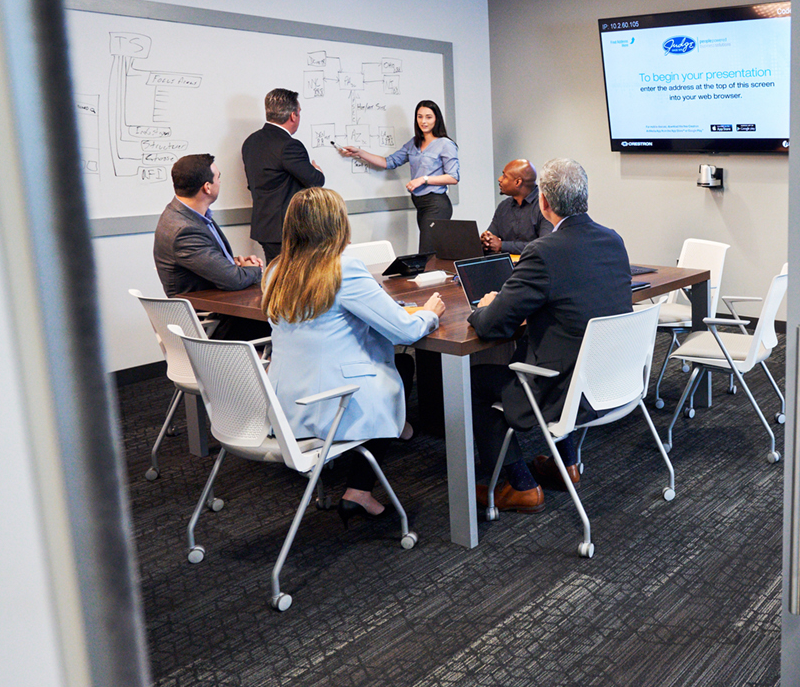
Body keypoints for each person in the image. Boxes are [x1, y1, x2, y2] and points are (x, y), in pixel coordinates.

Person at [261, 187, 445, 522]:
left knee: (400, 362)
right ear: (337, 224)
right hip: (332, 402)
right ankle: (358, 490)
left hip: (285, 403)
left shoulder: (277, 270)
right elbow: (405, 331)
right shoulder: (343, 268)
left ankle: (399, 427)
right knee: (395, 368)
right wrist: (429, 312)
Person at [468, 158, 633, 513]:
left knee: (476, 380)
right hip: (608, 379)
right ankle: (566, 466)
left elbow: (491, 325)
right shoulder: (613, 240)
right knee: (560, 348)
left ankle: (519, 485)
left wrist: (484, 305)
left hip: (563, 388)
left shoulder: (542, 253)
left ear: (543, 202)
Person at [337, 99, 458, 254]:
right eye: (420, 117)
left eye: (429, 117)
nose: (423, 121)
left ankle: (434, 277)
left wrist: (424, 179)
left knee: (427, 253)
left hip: (437, 203)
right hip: (421, 204)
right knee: (430, 253)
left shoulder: (445, 144)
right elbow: (389, 162)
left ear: (437, 119)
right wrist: (359, 153)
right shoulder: (414, 143)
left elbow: (453, 177)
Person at [153, 153, 263, 297]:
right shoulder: (185, 231)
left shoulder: (184, 214)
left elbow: (204, 262)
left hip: (218, 300)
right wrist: (254, 269)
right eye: (218, 178)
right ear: (207, 187)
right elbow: (234, 280)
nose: (220, 182)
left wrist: (232, 264)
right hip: (209, 310)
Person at [241, 87, 324, 264]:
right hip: (289, 229)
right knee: (295, 283)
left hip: (265, 227)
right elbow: (315, 181)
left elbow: (253, 184)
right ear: (293, 115)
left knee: (277, 279)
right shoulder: (289, 146)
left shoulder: (251, 141)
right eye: (299, 112)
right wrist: (317, 171)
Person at [481, 158, 552, 255]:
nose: (499, 179)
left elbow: (544, 246)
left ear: (518, 182)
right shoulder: (503, 206)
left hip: (534, 266)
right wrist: (486, 240)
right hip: (507, 266)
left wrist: (502, 246)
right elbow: (491, 235)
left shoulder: (546, 206)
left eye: (504, 176)